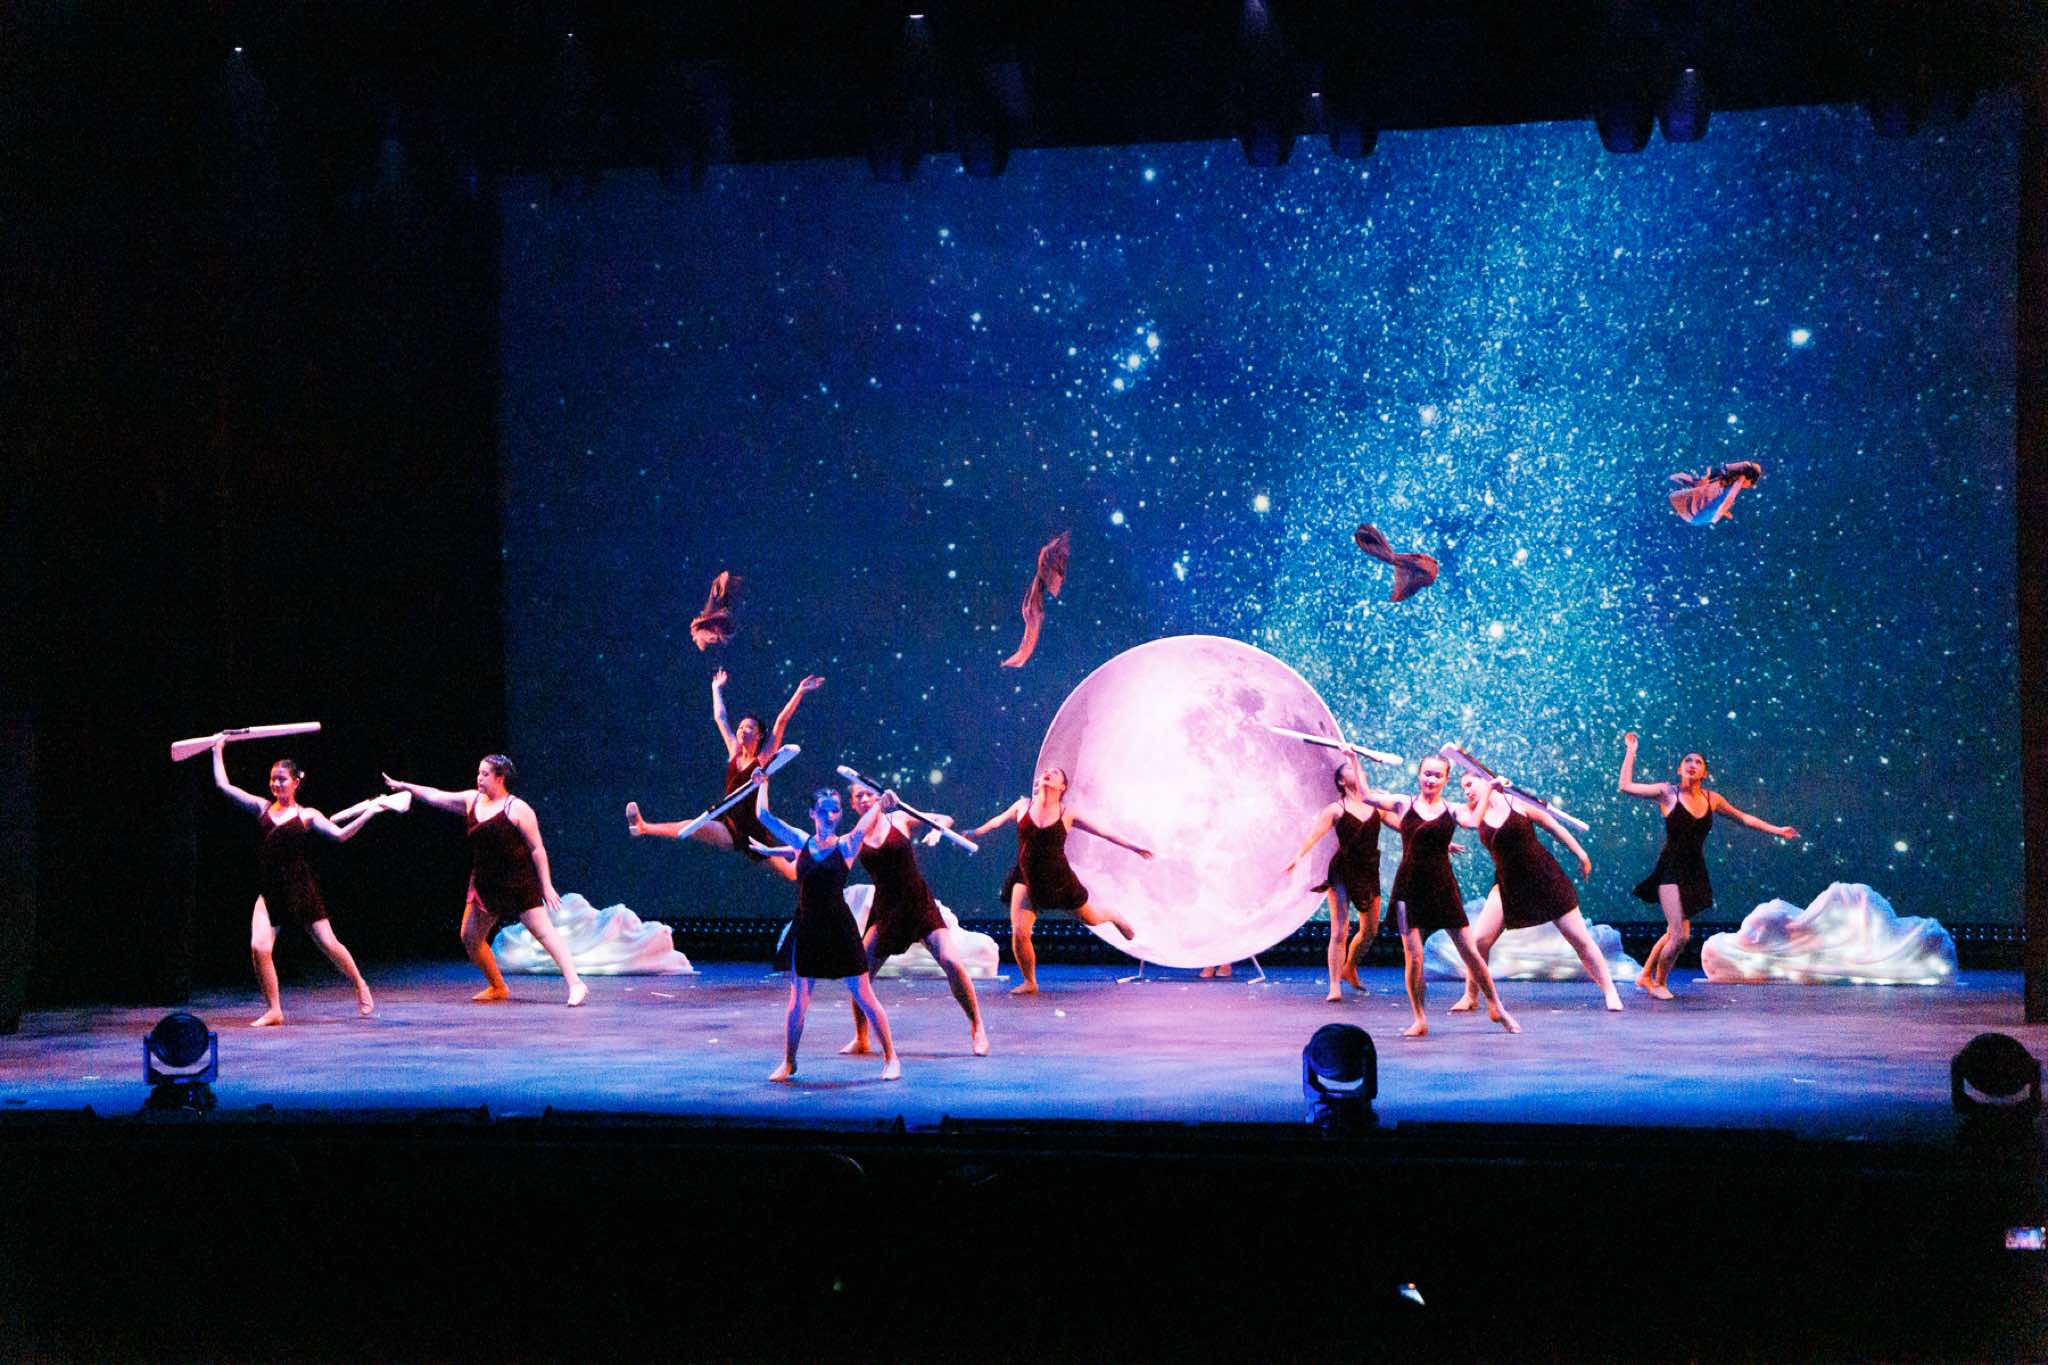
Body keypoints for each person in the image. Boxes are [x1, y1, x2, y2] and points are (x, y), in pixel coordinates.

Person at [211, 739, 393, 1026]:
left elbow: (340, 835)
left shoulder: (307, 815)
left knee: (329, 944)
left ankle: (360, 983)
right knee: (259, 947)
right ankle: (274, 1009)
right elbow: (224, 786)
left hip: (300, 888)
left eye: (282, 779)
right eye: (273, 779)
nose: (276, 784)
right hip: (271, 891)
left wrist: (370, 812)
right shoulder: (261, 807)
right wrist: (217, 751)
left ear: (296, 782)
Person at [383, 756, 588, 1007]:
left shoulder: (517, 808)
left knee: (544, 934)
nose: (479, 778)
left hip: (517, 882)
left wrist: (546, 885)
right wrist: (405, 786)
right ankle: (498, 986)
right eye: (479, 773)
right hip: (486, 883)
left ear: (500, 778)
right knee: (470, 937)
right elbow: (436, 795)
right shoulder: (472, 800)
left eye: (485, 774)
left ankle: (576, 984)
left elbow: (537, 849)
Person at [1618, 732, 1798, 999]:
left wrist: (1777, 830)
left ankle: (1645, 976)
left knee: (1675, 932)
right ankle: (1659, 983)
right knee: (1679, 936)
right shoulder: (1667, 792)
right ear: (1679, 769)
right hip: (1669, 871)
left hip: (1694, 872)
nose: (1692, 764)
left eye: (1698, 762)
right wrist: (1631, 750)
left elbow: (1744, 818)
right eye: (1687, 761)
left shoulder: (1712, 799)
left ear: (1705, 773)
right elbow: (1625, 786)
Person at [1357, 754, 1518, 1037]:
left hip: (1442, 887)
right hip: (1408, 890)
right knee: (1414, 957)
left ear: (1445, 779)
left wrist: (1490, 789)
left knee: (1471, 953)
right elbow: (1366, 796)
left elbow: (1473, 821)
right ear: (1419, 775)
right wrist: (1351, 757)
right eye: (1427, 773)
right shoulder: (1403, 803)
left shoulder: (1452, 809)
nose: (1431, 779)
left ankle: (1496, 1007)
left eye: (1437, 775)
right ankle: (1419, 1019)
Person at [752, 782, 902, 1081]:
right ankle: (789, 1061)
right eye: (823, 811)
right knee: (798, 1001)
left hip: (839, 928)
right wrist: (763, 783)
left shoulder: (847, 845)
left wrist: (881, 802)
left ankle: (891, 1058)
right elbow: (764, 816)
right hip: (808, 928)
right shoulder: (801, 841)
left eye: (835, 810)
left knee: (864, 994)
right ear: (812, 813)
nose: (830, 816)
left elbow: (866, 820)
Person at [966, 767, 1153, 996]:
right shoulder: (1023, 806)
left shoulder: (1067, 813)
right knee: (1020, 932)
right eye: (1046, 771)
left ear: (1062, 786)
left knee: (1092, 919)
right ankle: (1030, 981)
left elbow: (1105, 832)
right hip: (1026, 877)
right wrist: (977, 832)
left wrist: (1135, 847)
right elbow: (997, 821)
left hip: (1058, 879)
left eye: (1054, 773)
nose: (1048, 773)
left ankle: (1114, 916)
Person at [623, 669, 823, 881]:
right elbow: (721, 718)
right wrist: (715, 689)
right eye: (741, 727)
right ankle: (643, 827)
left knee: (792, 874)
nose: (742, 730)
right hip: (730, 826)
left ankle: (820, 867)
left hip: (755, 830)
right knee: (692, 825)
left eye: (749, 727)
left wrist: (800, 691)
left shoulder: (764, 758)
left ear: (759, 735)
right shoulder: (734, 751)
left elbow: (781, 721)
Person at [837, 781, 988, 1058]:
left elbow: (944, 818)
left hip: (917, 902)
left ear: (878, 796)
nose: (865, 798)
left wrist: (936, 831)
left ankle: (977, 1027)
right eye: (859, 796)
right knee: (859, 975)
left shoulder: (899, 817)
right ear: (853, 804)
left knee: (952, 962)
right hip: (886, 910)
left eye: (869, 793)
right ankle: (861, 1038)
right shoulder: (855, 835)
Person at [1449, 771, 1622, 1013]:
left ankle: (1610, 990)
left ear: (1484, 779)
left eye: (1470, 784)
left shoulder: (1518, 802)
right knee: (1479, 942)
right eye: (1463, 788)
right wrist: (1444, 843)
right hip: (1508, 884)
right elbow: (1441, 820)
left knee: (1580, 940)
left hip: (1544, 877)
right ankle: (1470, 996)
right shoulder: (1470, 812)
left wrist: (1581, 854)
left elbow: (1554, 827)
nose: (1467, 791)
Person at [1282, 751, 1386, 1002]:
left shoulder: (1377, 805)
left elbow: (1405, 825)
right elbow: (1313, 836)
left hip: (1368, 871)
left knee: (1370, 931)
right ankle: (1334, 985)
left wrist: (1438, 843)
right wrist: (1297, 858)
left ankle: (1350, 967)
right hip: (1342, 871)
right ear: (1340, 781)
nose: (1356, 769)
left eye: (1356, 767)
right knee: (1339, 931)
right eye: (1349, 768)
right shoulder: (1336, 809)